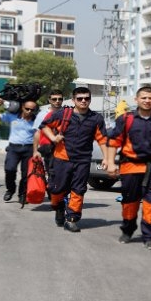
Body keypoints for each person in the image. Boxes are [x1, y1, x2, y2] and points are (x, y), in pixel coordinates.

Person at [106, 86, 151, 250]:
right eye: (144, 98)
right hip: (130, 165)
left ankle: (150, 236)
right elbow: (113, 142)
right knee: (129, 202)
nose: (147, 101)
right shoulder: (126, 119)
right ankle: (128, 230)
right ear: (137, 100)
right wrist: (111, 163)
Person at [38, 87, 108, 232]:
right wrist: (53, 138)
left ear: (90, 99)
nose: (83, 101)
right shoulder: (63, 114)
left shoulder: (96, 119)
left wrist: (107, 158)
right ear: (73, 100)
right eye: (80, 98)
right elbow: (44, 126)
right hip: (61, 159)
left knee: (79, 189)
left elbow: (102, 140)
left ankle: (72, 219)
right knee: (56, 190)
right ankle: (58, 208)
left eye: (87, 98)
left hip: (83, 160)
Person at [0, 98, 39, 203]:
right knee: (9, 169)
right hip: (13, 148)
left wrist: (35, 151)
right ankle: (10, 190)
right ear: (22, 108)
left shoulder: (36, 120)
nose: (29, 111)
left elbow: (37, 135)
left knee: (26, 174)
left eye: (32, 110)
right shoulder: (12, 117)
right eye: (27, 109)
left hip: (28, 148)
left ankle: (22, 194)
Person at [33, 89, 64, 172]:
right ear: (49, 100)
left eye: (60, 99)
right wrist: (35, 151)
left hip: (64, 150)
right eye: (54, 99)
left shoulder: (67, 113)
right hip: (49, 150)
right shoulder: (42, 114)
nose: (57, 101)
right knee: (51, 174)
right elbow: (37, 132)